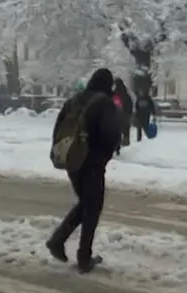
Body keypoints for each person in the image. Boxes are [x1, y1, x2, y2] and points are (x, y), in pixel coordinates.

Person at [46, 68, 121, 273]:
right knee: (92, 208)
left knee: (86, 204)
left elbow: (59, 128)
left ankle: (58, 240)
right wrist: (104, 156)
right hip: (92, 162)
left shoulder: (74, 100)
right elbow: (109, 133)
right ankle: (83, 257)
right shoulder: (104, 103)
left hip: (73, 160)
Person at [112, 78, 133, 153]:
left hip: (116, 115)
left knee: (116, 131)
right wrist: (129, 113)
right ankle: (125, 140)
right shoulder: (126, 94)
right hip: (125, 114)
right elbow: (130, 104)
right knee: (125, 129)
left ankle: (117, 147)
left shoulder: (114, 94)